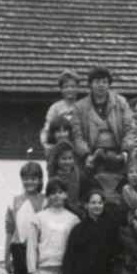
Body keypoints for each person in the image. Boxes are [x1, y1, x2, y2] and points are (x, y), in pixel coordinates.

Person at [77, 66, 134, 203]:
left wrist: (126, 151)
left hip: (118, 154)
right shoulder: (80, 106)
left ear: (109, 84)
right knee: (85, 186)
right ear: (90, 84)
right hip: (92, 155)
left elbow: (129, 130)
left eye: (104, 81)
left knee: (128, 184)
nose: (101, 85)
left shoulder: (121, 103)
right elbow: (77, 135)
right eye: (97, 82)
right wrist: (86, 155)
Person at [40, 71, 87, 209]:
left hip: (74, 149)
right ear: (61, 89)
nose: (70, 89)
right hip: (57, 150)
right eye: (66, 86)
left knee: (75, 179)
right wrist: (45, 144)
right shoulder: (56, 108)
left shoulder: (82, 106)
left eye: (73, 86)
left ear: (77, 87)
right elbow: (46, 128)